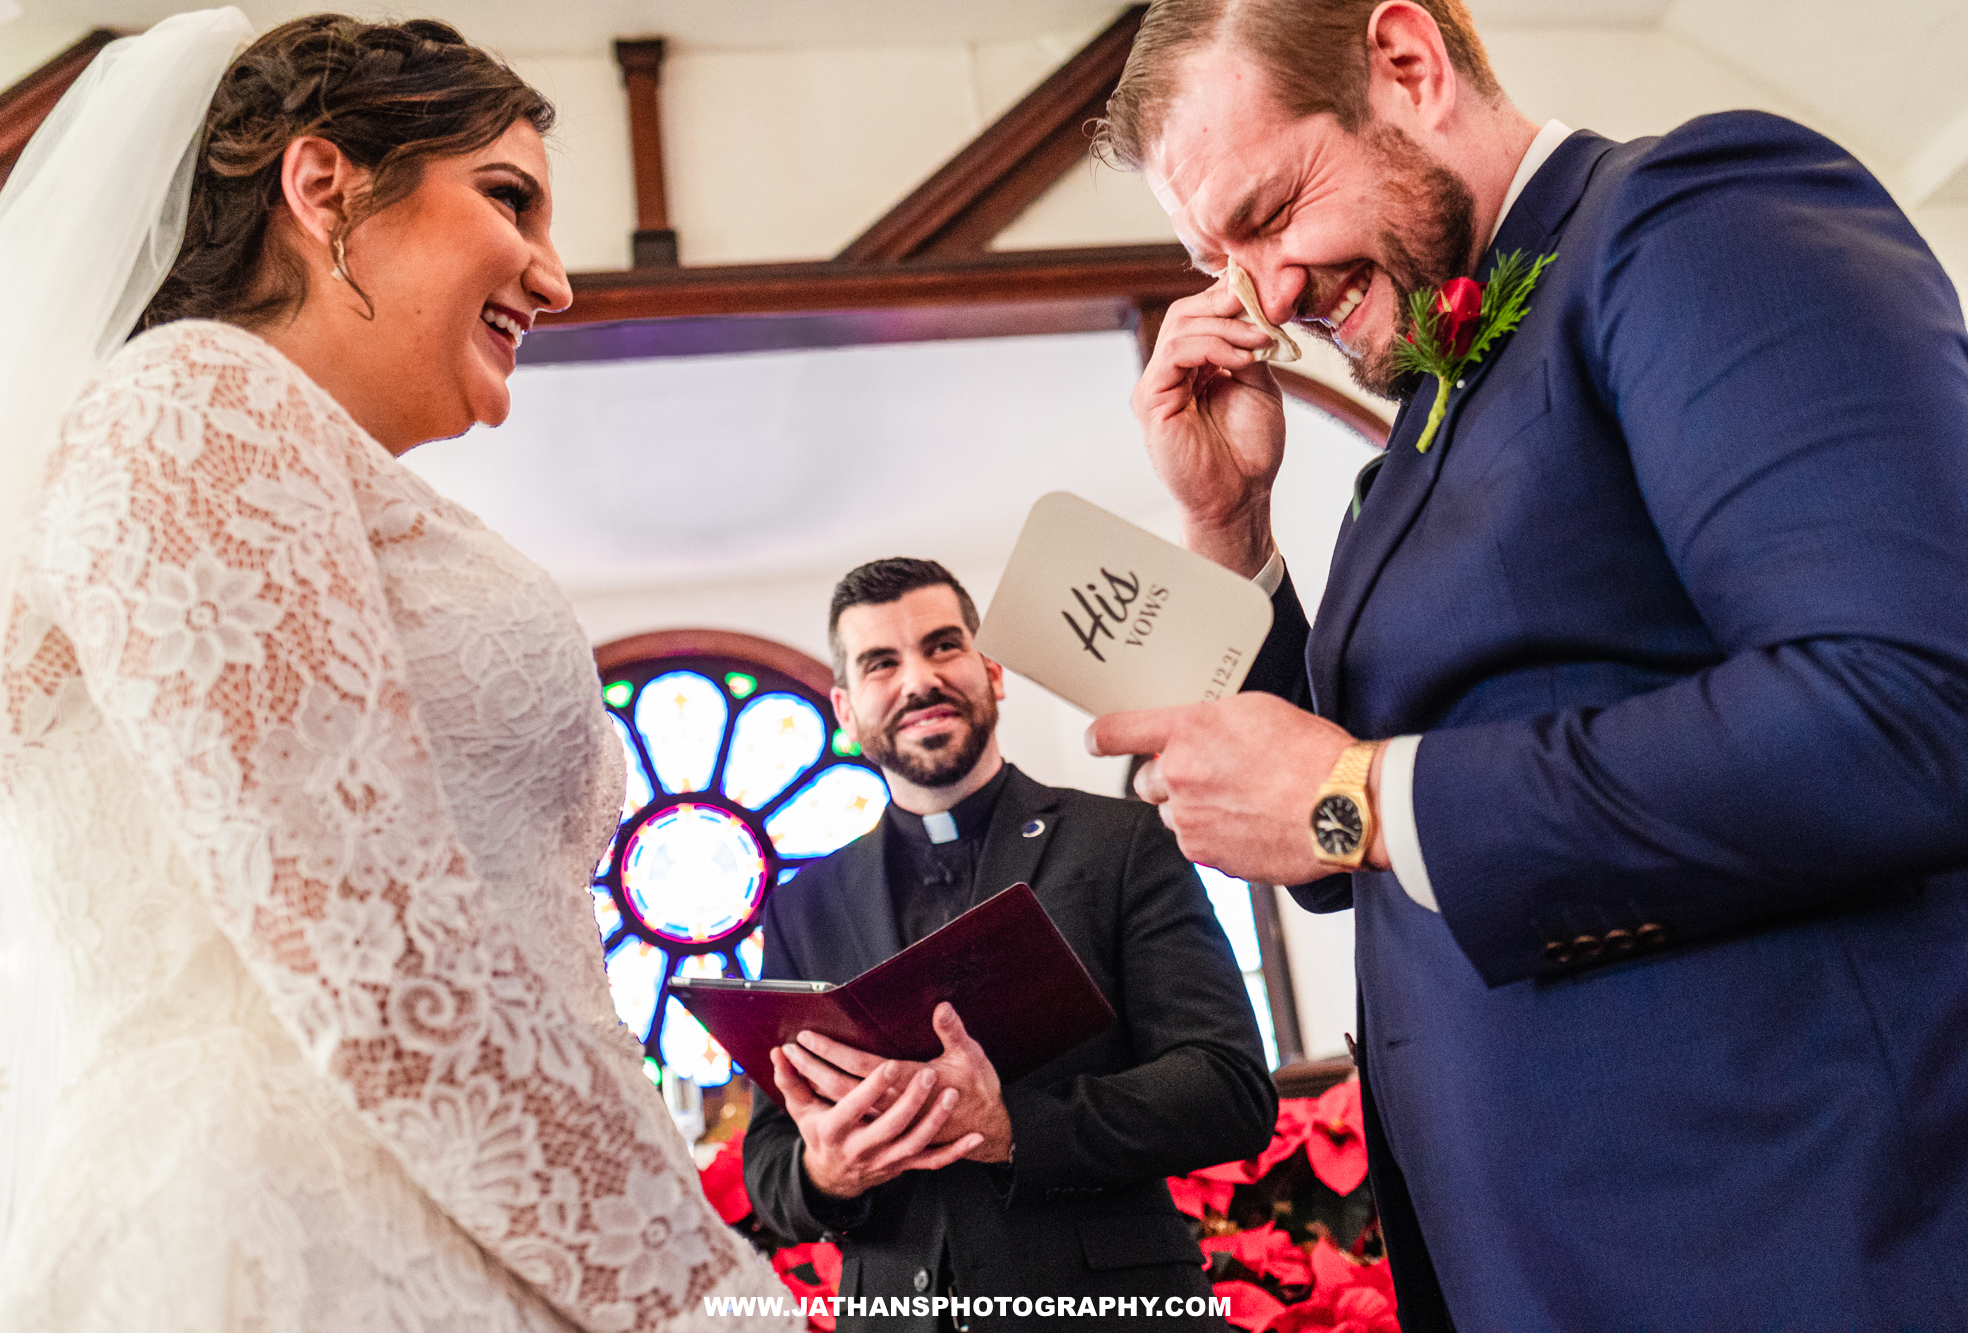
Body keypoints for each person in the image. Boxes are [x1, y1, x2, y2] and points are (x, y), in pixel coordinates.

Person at [1083, 0, 1968, 1327]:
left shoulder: (1689, 218)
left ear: (1409, 63)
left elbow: (1911, 705)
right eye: (1219, 256)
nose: (1261, 295)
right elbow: (1333, 850)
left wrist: (1369, 796)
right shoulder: (1417, 442)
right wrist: (1230, 529)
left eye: (1269, 213)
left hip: (1791, 1240)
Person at [0, 13, 792, 1331]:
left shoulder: (310, 463)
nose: (557, 278)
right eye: (509, 198)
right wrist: (704, 1293)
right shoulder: (186, 406)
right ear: (324, 186)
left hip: (452, 1222)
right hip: (294, 1235)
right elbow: (376, 950)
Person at [741, 558, 1276, 1330]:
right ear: (846, 709)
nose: (919, 679)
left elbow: (1229, 1089)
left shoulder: (1122, 842)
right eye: (881, 663)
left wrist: (1014, 1128)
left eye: (943, 645)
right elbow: (769, 1162)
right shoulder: (803, 908)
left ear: (992, 672)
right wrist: (823, 1171)